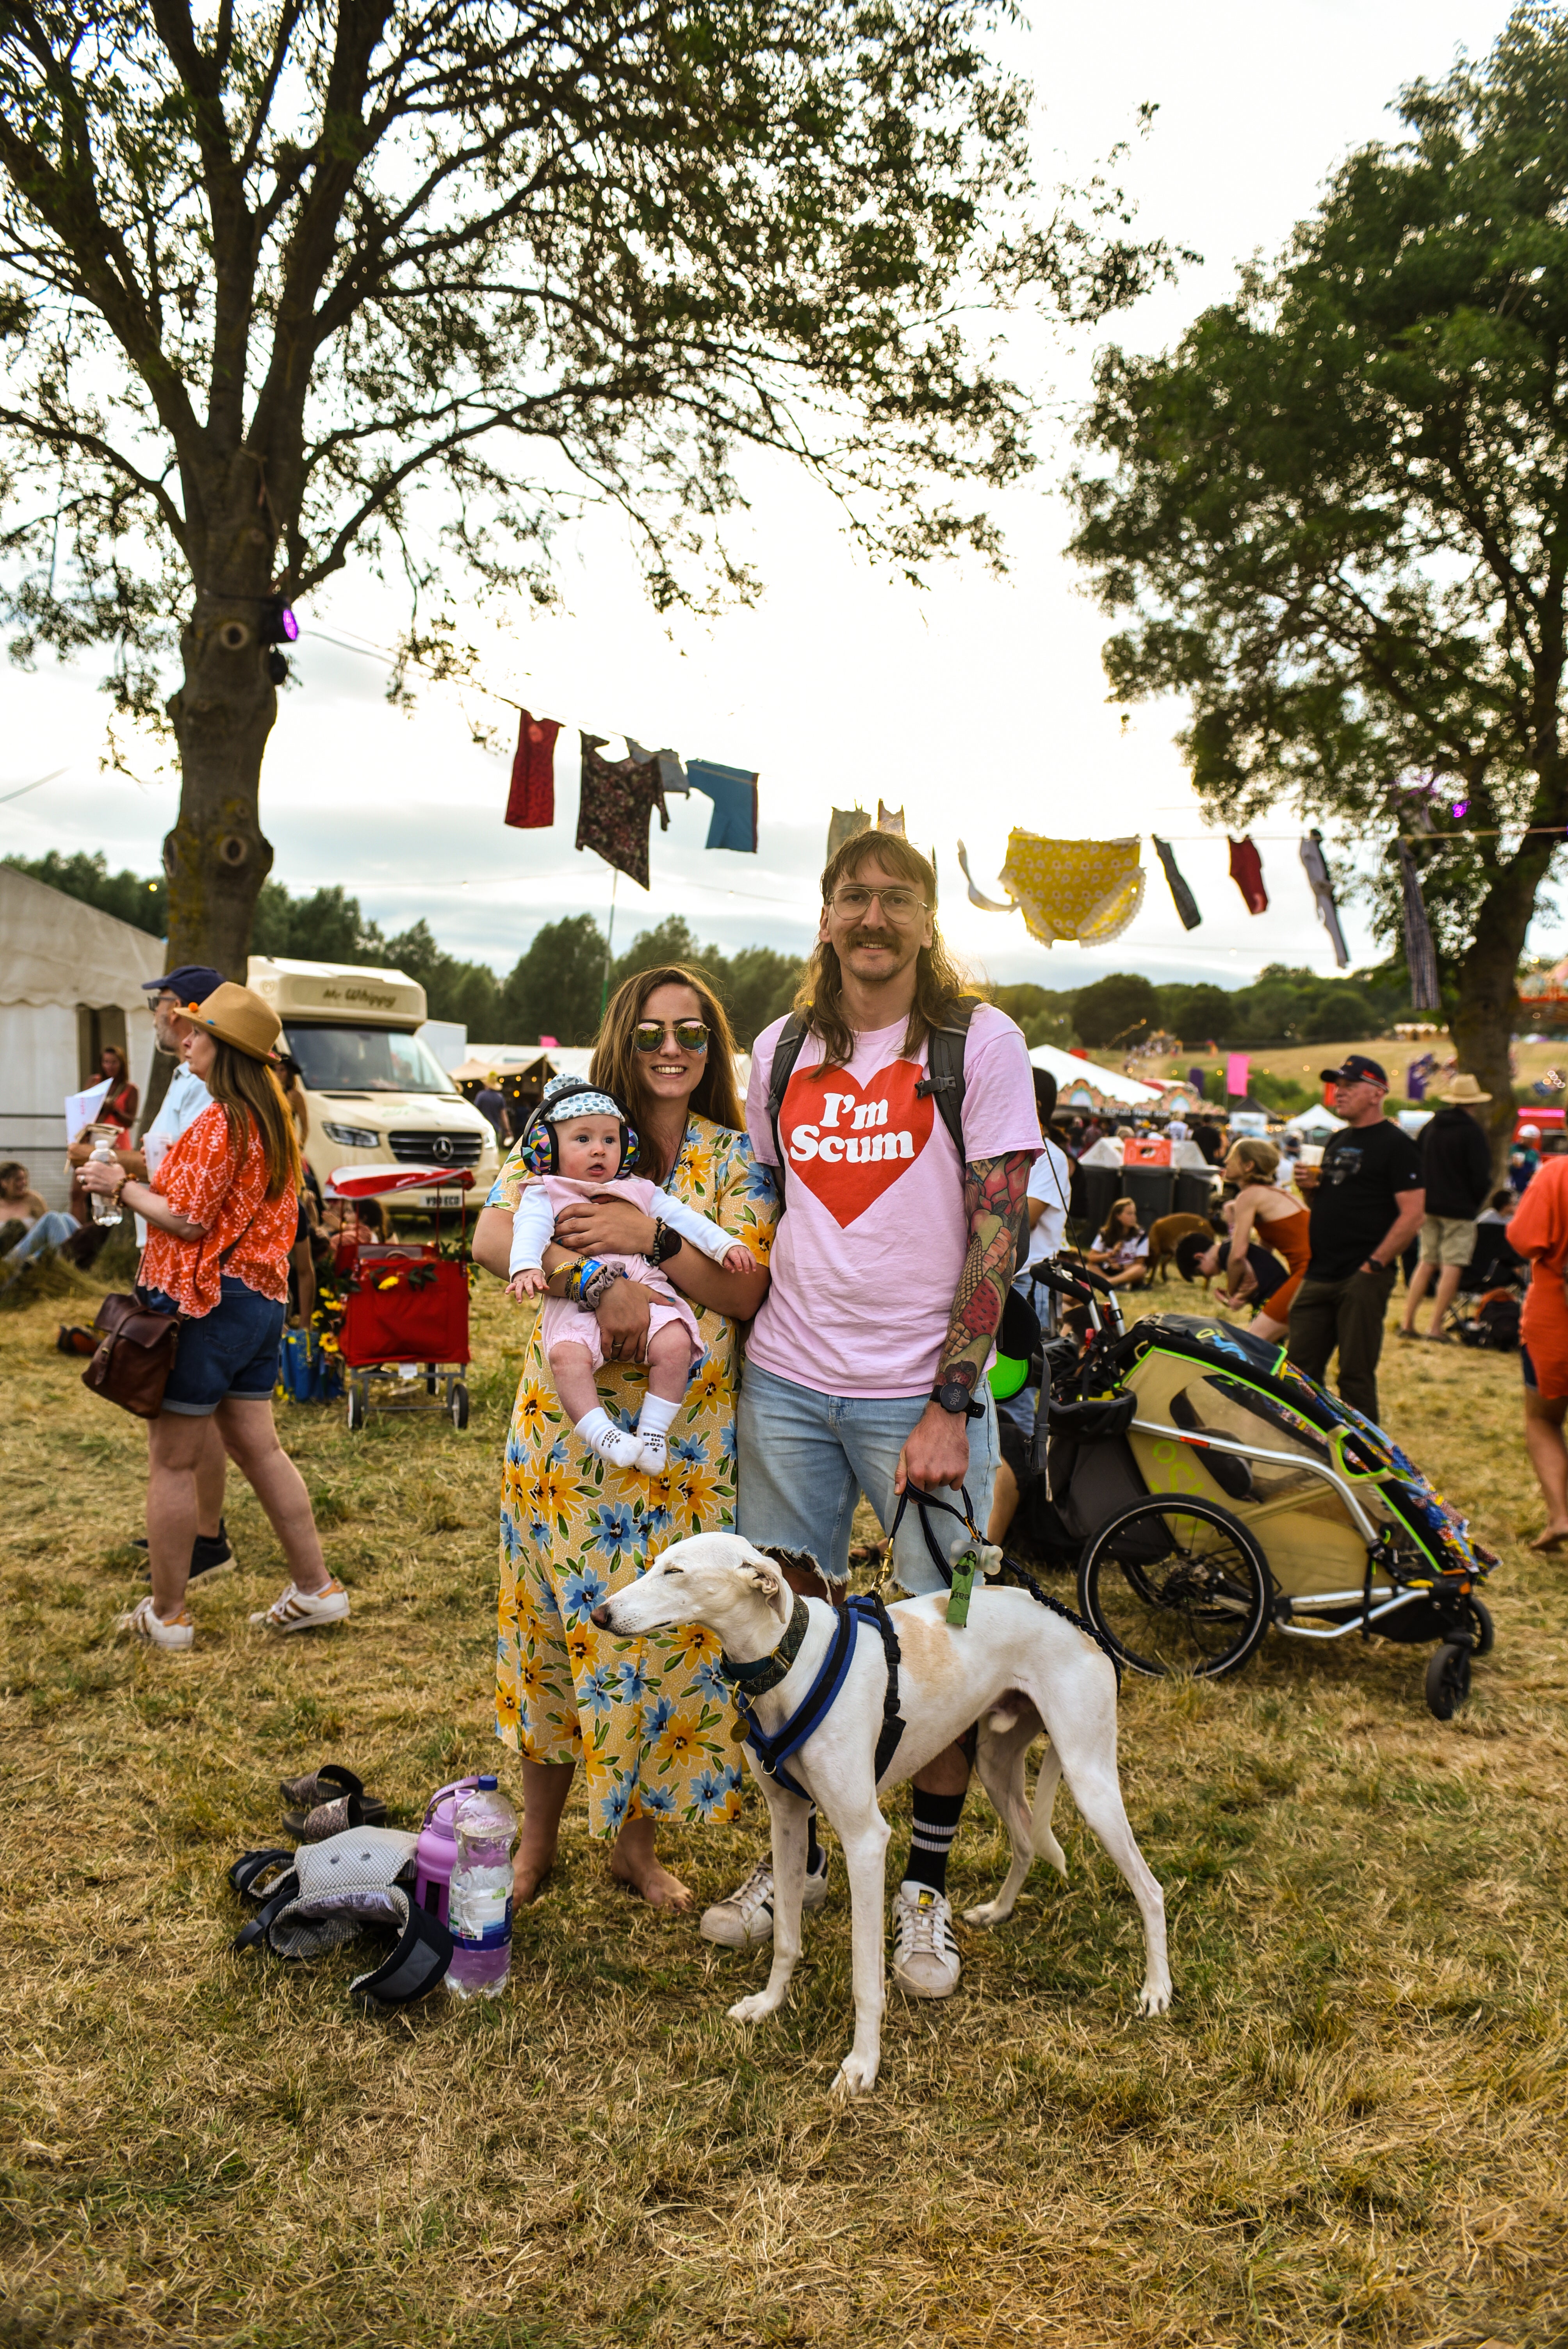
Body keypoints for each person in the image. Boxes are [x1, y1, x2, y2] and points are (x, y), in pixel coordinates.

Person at [703, 830, 1040, 1998]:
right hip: (788, 1385)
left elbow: (1005, 1222)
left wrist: (954, 1400)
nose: (872, 916)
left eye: (896, 898)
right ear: (825, 915)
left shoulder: (977, 1041)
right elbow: (767, 1209)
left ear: (927, 918)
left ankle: (924, 1895)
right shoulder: (780, 1048)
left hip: (919, 1397)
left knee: (940, 1645)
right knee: (784, 1630)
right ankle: (790, 1869)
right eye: (853, 896)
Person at [472, 965, 777, 1914]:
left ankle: (634, 1848)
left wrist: (648, 1242)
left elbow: (745, 1289)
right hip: (566, 1443)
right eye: (650, 1032)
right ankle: (535, 1841)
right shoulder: (569, 1128)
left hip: (676, 1449)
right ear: (623, 1040)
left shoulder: (736, 1156)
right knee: (553, 1632)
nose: (672, 1047)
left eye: (691, 1030)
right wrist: (598, 1285)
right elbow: (492, 1236)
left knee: (649, 1641)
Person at [78, 983, 348, 1650]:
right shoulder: (271, 1122)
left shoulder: (224, 1120)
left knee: (172, 1462)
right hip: (258, 1303)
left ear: (222, 1046)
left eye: (195, 1030)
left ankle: (168, 1615)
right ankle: (317, 1588)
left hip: (206, 1302)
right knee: (261, 1449)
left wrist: (121, 1186)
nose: (183, 1036)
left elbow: (191, 1220)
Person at [66, 965, 244, 1584]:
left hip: (188, 1260)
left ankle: (203, 1537)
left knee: (188, 1411)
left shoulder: (209, 1085)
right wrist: (109, 1156)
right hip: (163, 1248)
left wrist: (111, 1168)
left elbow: (188, 1194)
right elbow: (167, 1163)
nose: (158, 1017)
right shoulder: (181, 1076)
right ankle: (196, 1530)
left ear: (189, 1012)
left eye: (163, 1005)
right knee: (191, 1408)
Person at [505, 1075, 755, 1472]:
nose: (598, 1150)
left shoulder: (639, 1189)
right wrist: (525, 1267)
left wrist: (725, 1245)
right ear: (547, 1149)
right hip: (576, 1306)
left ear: (626, 1146)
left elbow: (684, 1219)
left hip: (647, 1288)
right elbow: (528, 1231)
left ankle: (653, 1433)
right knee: (566, 1356)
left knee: (674, 1345)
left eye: (609, 1140)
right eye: (582, 1139)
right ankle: (602, 1434)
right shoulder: (544, 1191)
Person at [1288, 1055, 1424, 1426]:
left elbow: (1414, 1213)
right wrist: (1310, 1190)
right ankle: (1306, 1449)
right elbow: (1326, 1204)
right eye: (1338, 1085)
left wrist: (1375, 1265)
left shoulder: (1397, 1145)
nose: (1339, 1092)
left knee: (1355, 1375)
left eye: (1349, 1085)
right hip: (1321, 1270)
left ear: (1378, 1093)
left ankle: (1371, 1465)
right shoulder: (1337, 1140)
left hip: (1362, 1273)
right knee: (1296, 1373)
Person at [1398, 1073, 1494, 1343]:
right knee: (1453, 1263)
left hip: (1428, 1204)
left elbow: (1415, 1161)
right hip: (1459, 1208)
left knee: (1426, 1261)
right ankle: (1434, 1327)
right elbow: (1481, 1176)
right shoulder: (1473, 1132)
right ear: (1474, 1103)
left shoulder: (1431, 1126)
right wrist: (1473, 1203)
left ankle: (1407, 1322)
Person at [1505, 1155, 1568, 1550]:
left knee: (1543, 1418)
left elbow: (1524, 1238)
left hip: (1556, 1319)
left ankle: (1561, 1515)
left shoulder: (1556, 1172)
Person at [0, 1161, 79, 1269]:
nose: (24, 1183)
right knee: (52, 1218)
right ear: (3, 1183)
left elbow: (50, 1231)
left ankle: (86, 1259)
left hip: (34, 1255)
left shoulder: (32, 1200)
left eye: (25, 1179)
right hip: (9, 1261)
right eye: (18, 1180)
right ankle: (69, 1268)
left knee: (66, 1218)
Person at [1088, 1198, 1149, 1290]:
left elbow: (1139, 1263)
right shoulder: (1106, 1233)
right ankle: (1114, 1283)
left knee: (1141, 1269)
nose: (1134, 1217)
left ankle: (1109, 1283)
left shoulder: (1141, 1235)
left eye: (1134, 1213)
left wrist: (1121, 1266)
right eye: (1129, 1214)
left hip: (1127, 1271)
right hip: (1108, 1269)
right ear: (1118, 1216)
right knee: (1089, 1267)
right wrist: (1109, 1255)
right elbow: (1091, 1257)